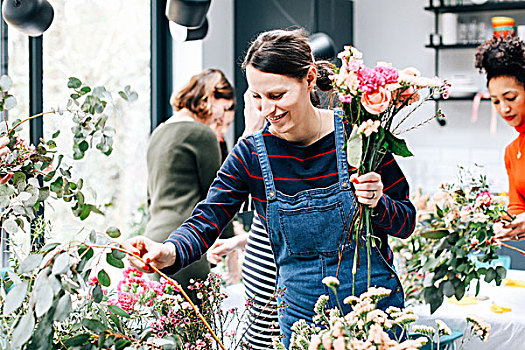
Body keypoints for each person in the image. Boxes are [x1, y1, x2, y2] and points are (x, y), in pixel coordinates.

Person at [124, 28, 415, 346]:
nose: (267, 110)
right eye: (257, 97)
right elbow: (208, 217)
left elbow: (406, 221)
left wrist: (379, 203)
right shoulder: (252, 154)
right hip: (305, 324)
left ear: (309, 78)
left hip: (375, 317)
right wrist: (168, 251)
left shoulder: (361, 138)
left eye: (277, 95)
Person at [144, 68, 235, 303]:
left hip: (156, 241)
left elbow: (150, 196)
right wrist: (229, 246)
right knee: (197, 335)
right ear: (211, 96)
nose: (222, 122)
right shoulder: (201, 134)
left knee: (166, 332)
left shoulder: (159, 132)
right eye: (224, 110)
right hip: (186, 248)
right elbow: (218, 199)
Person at [475, 35, 525, 241]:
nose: (504, 109)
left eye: (510, 98)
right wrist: (503, 226)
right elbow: (517, 207)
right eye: (496, 101)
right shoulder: (513, 152)